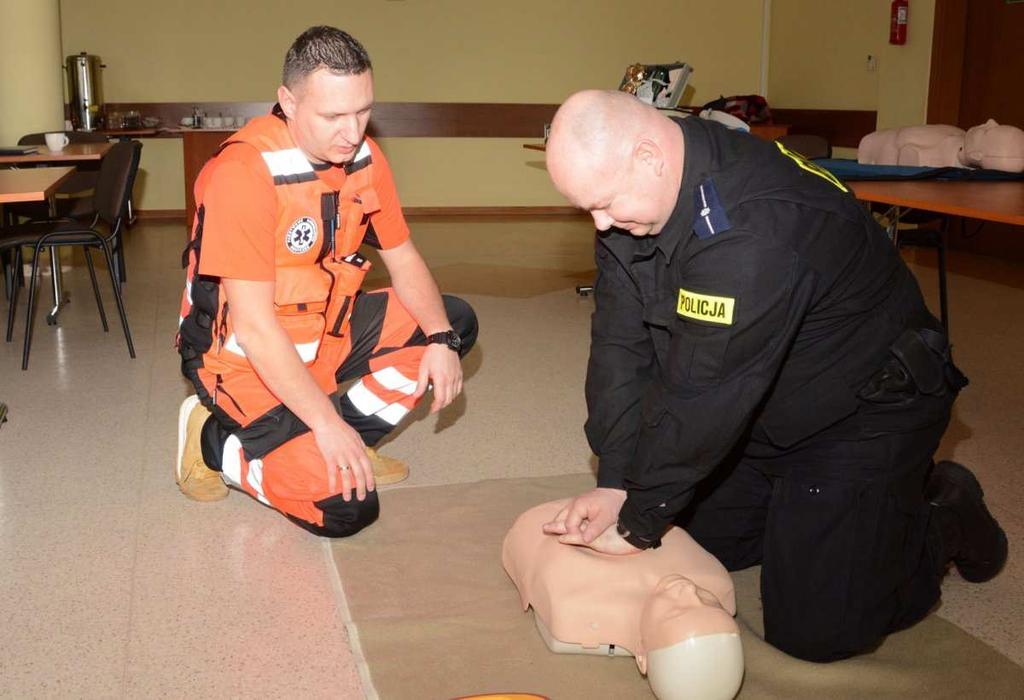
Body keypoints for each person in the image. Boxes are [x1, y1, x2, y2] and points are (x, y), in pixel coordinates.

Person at [540, 90, 1007, 662]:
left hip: (863, 411)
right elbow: (620, 345)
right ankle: (837, 516)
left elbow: (702, 394)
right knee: (703, 544)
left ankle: (942, 513)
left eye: (606, 203)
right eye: (587, 208)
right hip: (762, 403)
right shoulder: (634, 197)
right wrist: (616, 479)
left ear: (648, 154)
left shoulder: (751, 228)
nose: (601, 223)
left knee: (818, 630)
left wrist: (638, 518)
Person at [174, 26, 477, 537]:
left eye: (363, 111)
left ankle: (347, 446)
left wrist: (443, 339)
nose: (353, 131)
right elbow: (254, 328)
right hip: (242, 361)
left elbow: (403, 258)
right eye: (333, 116)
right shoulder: (244, 173)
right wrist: (327, 424)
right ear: (288, 103)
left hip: (323, 337)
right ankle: (212, 442)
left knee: (450, 320)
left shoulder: (364, 159)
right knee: (346, 510)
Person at [503, 500, 744, 700]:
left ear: (642, 653)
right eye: (711, 605)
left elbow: (539, 551)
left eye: (676, 612)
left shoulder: (578, 601)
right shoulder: (715, 579)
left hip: (543, 519)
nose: (688, 591)